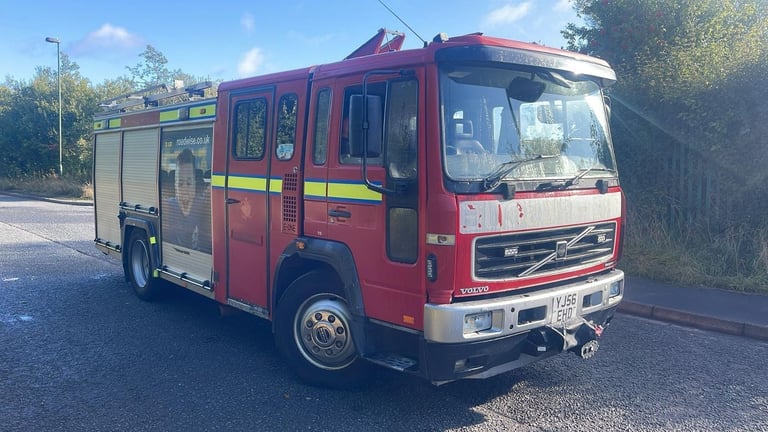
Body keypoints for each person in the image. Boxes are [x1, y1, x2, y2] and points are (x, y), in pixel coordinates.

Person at [163, 148, 211, 253]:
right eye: (180, 183)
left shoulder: (204, 204)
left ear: (195, 183)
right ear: (175, 185)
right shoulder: (167, 206)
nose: (184, 188)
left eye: (189, 183)